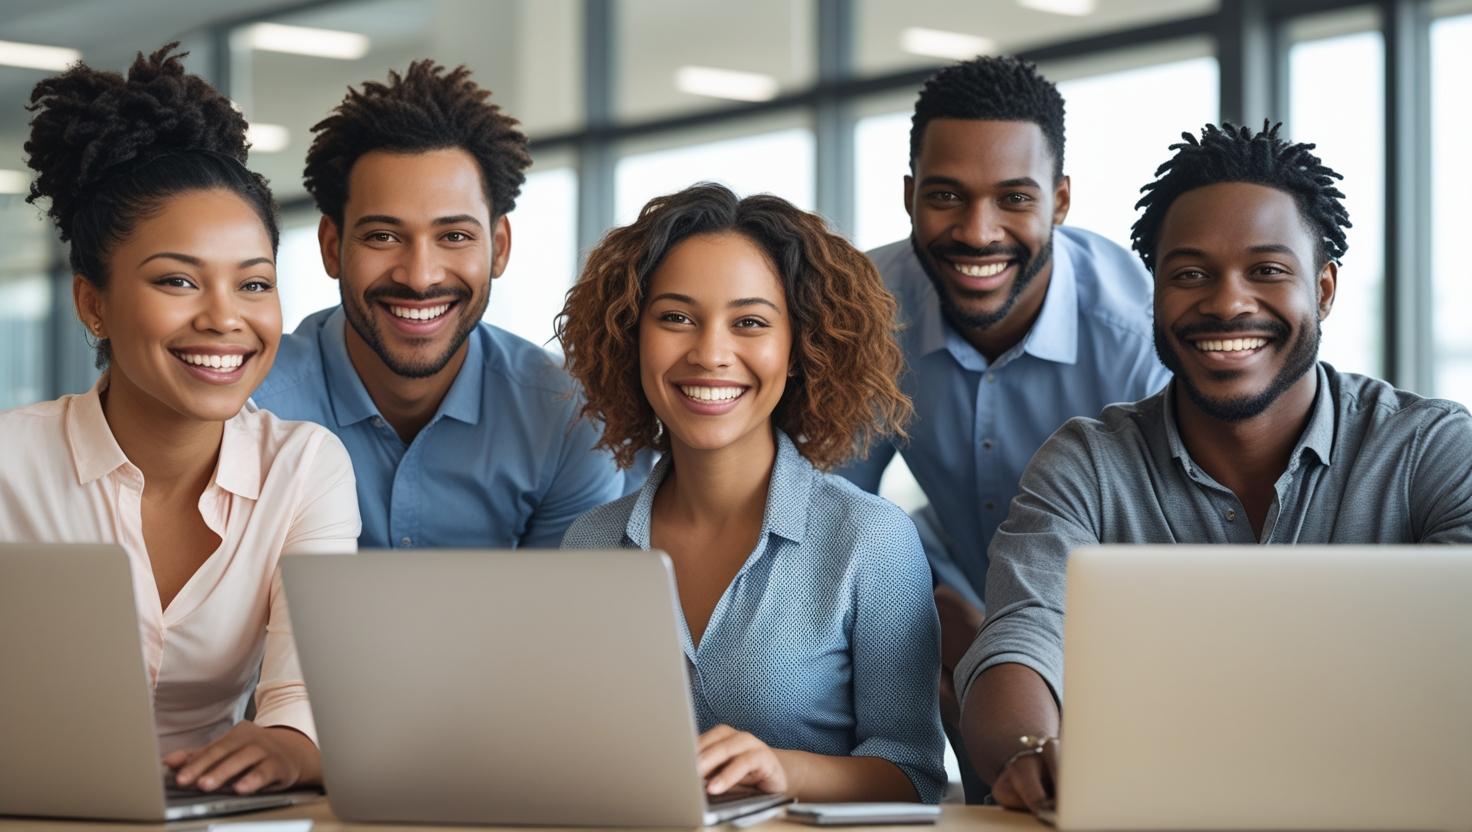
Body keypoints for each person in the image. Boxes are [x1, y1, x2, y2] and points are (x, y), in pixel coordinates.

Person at [957, 122, 1472, 817]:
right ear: (1156, 294)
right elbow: (1019, 640)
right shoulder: (1087, 463)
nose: (1227, 303)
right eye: (1191, 274)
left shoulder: (1432, 449)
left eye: (1266, 271)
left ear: (1322, 291)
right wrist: (1028, 751)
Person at [0, 45, 360, 795]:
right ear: (92, 303)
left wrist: (289, 747)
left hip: (220, 811)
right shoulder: (10, 462)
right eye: (177, 280)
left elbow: (308, 699)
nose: (225, 318)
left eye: (253, 283)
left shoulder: (303, 465)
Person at [834, 55, 1169, 797]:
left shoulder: (1141, 335)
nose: (977, 232)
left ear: (1060, 200)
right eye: (946, 196)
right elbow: (824, 510)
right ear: (908, 196)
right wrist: (919, 605)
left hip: (1108, 616)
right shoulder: (867, 313)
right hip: (946, 601)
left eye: (1013, 198)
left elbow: (1171, 553)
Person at [557, 184, 947, 803]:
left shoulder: (870, 541)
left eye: (750, 323)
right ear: (633, 336)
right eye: (677, 317)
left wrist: (782, 771)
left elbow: (913, 774)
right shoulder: (589, 546)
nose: (711, 353)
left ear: (798, 347)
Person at [250, 60, 635, 549]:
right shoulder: (250, 404)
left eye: (454, 235)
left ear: (499, 247)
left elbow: (563, 616)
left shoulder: (565, 422)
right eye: (383, 236)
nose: (420, 276)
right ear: (331, 246)